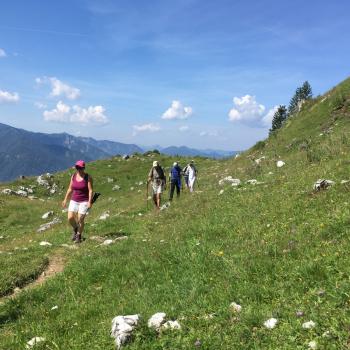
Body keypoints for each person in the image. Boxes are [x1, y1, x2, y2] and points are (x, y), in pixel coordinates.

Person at [62, 160, 93, 243]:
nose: (79, 169)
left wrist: (89, 202)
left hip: (84, 201)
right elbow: (70, 188)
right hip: (74, 200)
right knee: (70, 218)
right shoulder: (73, 176)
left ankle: (78, 236)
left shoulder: (88, 177)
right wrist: (65, 199)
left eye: (80, 168)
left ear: (83, 168)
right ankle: (76, 229)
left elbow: (90, 190)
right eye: (77, 167)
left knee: (80, 219)